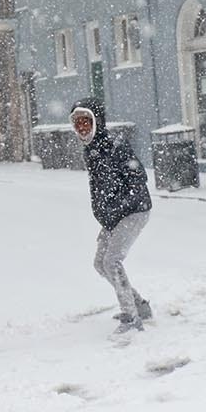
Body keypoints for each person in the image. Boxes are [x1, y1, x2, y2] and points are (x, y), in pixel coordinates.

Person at [71, 97, 152, 332]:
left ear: (97, 122)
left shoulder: (115, 146)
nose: (83, 128)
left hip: (134, 212)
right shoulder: (91, 150)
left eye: (87, 122)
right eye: (78, 124)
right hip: (113, 217)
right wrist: (108, 215)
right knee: (100, 263)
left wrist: (119, 207)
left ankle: (131, 316)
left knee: (112, 261)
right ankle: (140, 306)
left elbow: (139, 179)